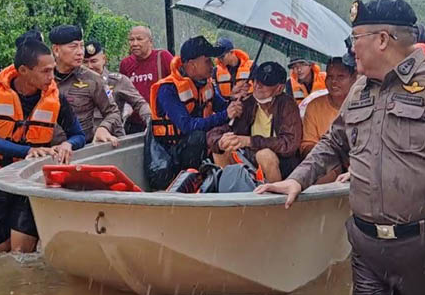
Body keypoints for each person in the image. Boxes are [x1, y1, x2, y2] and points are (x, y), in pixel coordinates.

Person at [257, 0, 425, 295]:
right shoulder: (359, 90)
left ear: (383, 39)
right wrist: (297, 180)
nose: (351, 49)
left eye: (356, 39)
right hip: (367, 246)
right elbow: (333, 142)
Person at [0, 40, 86, 253]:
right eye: (45, 71)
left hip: (30, 183)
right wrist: (27, 151)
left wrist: (68, 144)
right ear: (24, 71)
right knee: (1, 252)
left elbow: (78, 135)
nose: (51, 77)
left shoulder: (56, 98)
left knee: (21, 253)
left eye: (52, 70)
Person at [149, 36, 242, 179]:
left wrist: (235, 99)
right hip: (169, 159)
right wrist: (226, 115)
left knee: (225, 132)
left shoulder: (207, 83)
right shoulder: (167, 88)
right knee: (198, 136)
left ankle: (220, 175)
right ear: (192, 64)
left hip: (198, 149)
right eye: (207, 61)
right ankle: (194, 181)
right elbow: (187, 126)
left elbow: (223, 107)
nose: (212, 65)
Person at [206, 61, 302, 183]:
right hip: (249, 159)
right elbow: (215, 133)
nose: (258, 86)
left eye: (265, 83)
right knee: (221, 148)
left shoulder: (288, 105)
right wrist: (220, 140)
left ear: (279, 88)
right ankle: (229, 195)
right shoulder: (247, 102)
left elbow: (289, 144)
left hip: (281, 164)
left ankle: (276, 198)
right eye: (257, 80)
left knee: (265, 155)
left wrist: (249, 141)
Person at [49, 25, 122, 147]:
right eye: (73, 47)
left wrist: (104, 128)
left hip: (81, 152)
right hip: (46, 153)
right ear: (56, 50)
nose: (80, 52)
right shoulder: (43, 77)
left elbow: (113, 112)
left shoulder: (93, 80)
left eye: (81, 46)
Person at [84, 40, 151, 132]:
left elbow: (139, 103)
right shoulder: (75, 83)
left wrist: (149, 120)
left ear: (104, 59)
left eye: (94, 61)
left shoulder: (118, 81)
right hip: (83, 141)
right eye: (85, 62)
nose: (89, 66)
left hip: (112, 139)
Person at [119, 26, 174, 133]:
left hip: (161, 124)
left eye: (139, 39)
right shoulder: (125, 64)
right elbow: (122, 92)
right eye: (131, 40)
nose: (134, 43)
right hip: (134, 125)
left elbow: (178, 82)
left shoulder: (163, 57)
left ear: (150, 41)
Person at [300, 56, 356, 159]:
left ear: (353, 78)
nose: (334, 81)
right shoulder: (314, 106)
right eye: (330, 76)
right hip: (324, 163)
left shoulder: (362, 104)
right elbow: (307, 145)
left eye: (340, 76)